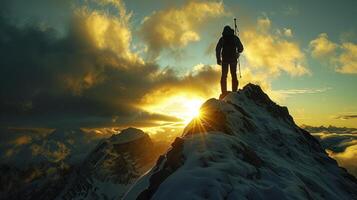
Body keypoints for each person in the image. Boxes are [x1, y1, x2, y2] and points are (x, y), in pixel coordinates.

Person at [215, 25, 244, 98]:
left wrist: (218, 59)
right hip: (233, 59)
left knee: (224, 76)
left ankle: (224, 92)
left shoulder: (223, 38)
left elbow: (218, 49)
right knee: (233, 75)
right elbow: (241, 48)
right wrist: (238, 51)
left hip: (224, 60)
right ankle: (234, 91)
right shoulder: (234, 38)